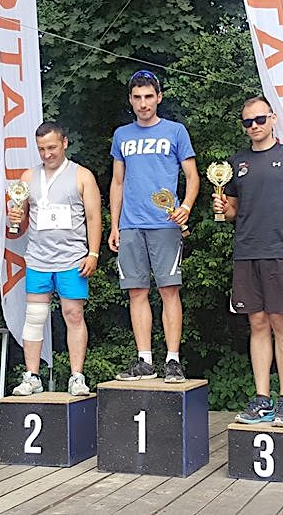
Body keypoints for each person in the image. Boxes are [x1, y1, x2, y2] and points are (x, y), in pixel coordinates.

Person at [213, 96, 283, 427]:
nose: (254, 126)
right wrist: (223, 208)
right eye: (248, 122)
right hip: (246, 252)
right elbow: (232, 211)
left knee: (281, 323)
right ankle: (262, 399)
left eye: (260, 119)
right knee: (257, 324)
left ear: (272, 119)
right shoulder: (236, 163)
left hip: (282, 252)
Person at [108, 70, 200, 383]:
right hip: (130, 225)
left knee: (169, 290)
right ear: (130, 100)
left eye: (149, 96)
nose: (143, 103)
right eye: (137, 97)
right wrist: (114, 225)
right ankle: (144, 360)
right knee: (136, 292)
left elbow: (193, 176)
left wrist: (185, 207)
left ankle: (173, 360)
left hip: (165, 223)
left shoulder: (175, 131)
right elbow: (117, 181)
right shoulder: (122, 135)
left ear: (159, 97)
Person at [7, 122, 103, 397]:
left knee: (73, 314)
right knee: (35, 316)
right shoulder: (28, 177)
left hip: (72, 259)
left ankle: (77, 376)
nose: (47, 154)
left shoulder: (82, 175)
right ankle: (32, 376)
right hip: (38, 258)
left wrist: (93, 253)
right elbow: (20, 222)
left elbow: (94, 217)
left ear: (64, 143)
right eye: (41, 149)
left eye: (51, 147)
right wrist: (15, 218)